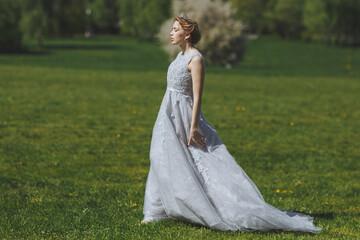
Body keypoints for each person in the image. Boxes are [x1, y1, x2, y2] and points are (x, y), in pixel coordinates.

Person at [141, 13, 322, 233]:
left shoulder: (196, 59)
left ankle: (208, 206)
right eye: (172, 29)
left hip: (184, 115)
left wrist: (194, 126)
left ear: (187, 34)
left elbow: (197, 97)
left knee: (195, 161)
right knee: (161, 156)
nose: (171, 33)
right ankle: (155, 211)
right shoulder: (178, 57)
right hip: (168, 114)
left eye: (175, 30)